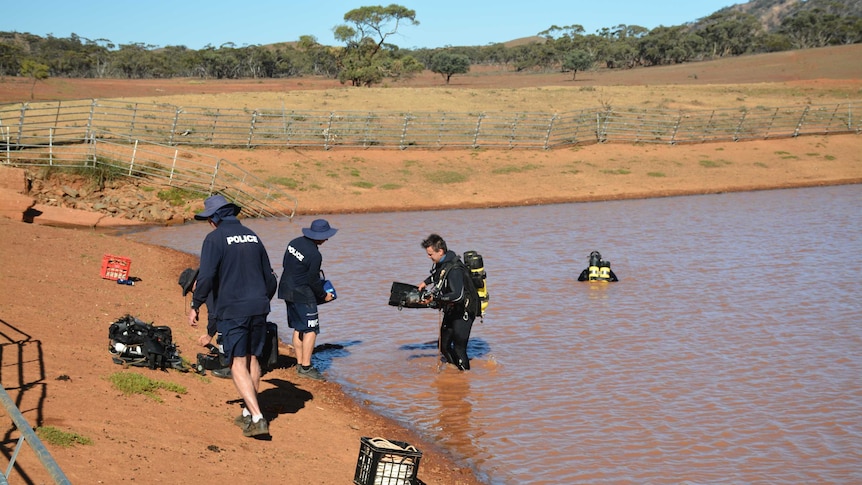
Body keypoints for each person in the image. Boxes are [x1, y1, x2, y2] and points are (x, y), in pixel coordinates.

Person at [187, 194, 278, 438]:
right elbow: (270, 278)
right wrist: (262, 300)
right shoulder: (253, 236)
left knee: (237, 362)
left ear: (215, 217)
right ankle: (248, 412)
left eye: (209, 219)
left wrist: (196, 304)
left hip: (234, 308)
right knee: (253, 359)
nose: (208, 223)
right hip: (259, 306)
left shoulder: (214, 239)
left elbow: (205, 277)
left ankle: (258, 418)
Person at [278, 219, 337, 381]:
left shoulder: (294, 243)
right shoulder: (315, 254)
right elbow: (313, 280)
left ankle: (299, 363)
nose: (327, 239)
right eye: (325, 236)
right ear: (319, 236)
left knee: (299, 327)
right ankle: (305, 367)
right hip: (302, 294)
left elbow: (285, 263)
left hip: (285, 289)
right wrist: (323, 296)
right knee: (311, 329)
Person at [418, 234, 480, 371]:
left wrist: (435, 299)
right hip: (452, 309)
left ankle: (463, 380)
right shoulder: (444, 263)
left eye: (430, 254)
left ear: (440, 251)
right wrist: (426, 282)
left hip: (464, 311)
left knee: (459, 349)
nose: (428, 257)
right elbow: (439, 274)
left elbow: (457, 295)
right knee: (443, 346)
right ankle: (455, 369)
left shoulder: (455, 270)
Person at [178, 267, 231, 378]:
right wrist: (195, 306)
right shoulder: (210, 279)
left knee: (224, 327)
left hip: (236, 312)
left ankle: (230, 367)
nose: (192, 292)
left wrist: (209, 336)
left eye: (190, 289)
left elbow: (214, 316)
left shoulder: (210, 288)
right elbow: (200, 295)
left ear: (195, 282)